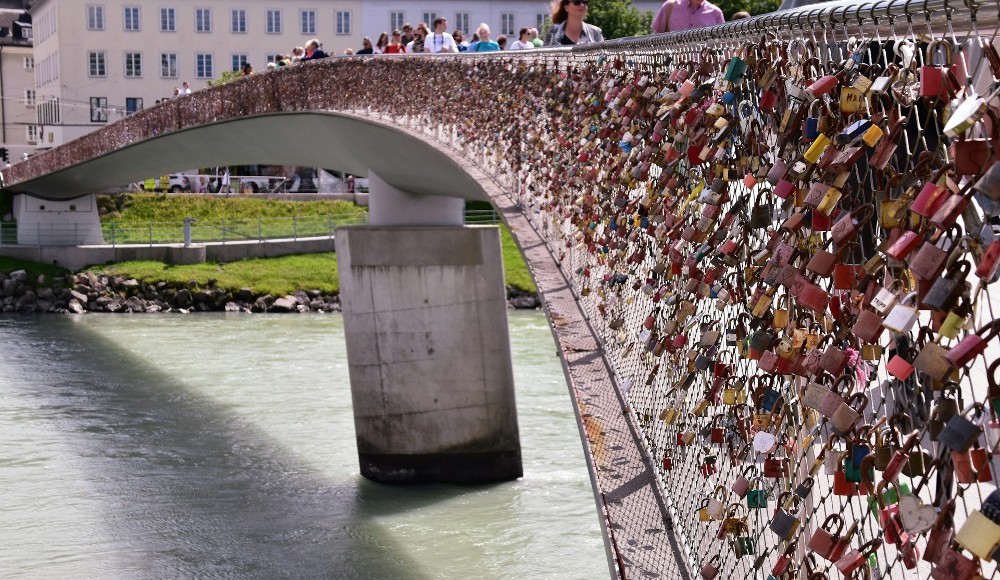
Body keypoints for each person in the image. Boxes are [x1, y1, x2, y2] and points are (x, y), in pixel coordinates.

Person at [651, 0, 724, 34]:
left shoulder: (715, 12)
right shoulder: (670, 6)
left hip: (704, 60)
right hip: (673, 59)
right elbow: (656, 36)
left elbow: (724, 41)